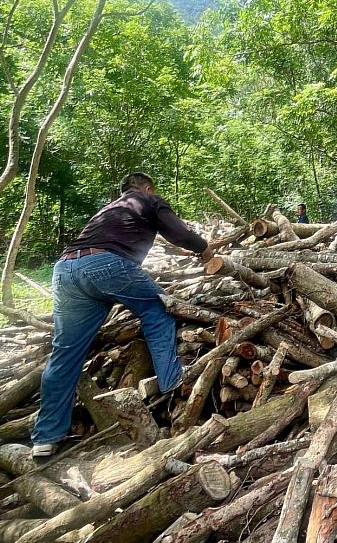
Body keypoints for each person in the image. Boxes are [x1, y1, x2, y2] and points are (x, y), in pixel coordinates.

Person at [31, 173, 212, 457]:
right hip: (107, 265)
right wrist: (204, 248)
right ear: (148, 188)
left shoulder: (109, 209)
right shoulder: (148, 199)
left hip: (66, 270)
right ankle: (173, 383)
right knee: (159, 310)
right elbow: (180, 234)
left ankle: (46, 437)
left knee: (65, 352)